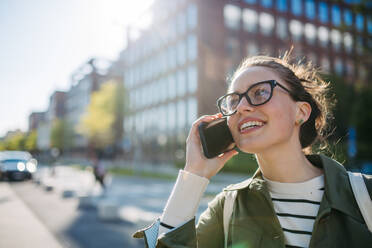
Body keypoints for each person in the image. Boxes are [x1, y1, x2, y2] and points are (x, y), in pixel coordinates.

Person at [134, 52, 372, 247]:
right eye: (233, 101)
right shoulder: (226, 208)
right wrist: (194, 174)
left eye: (259, 92)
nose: (241, 107)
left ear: (301, 112)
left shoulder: (365, 195)